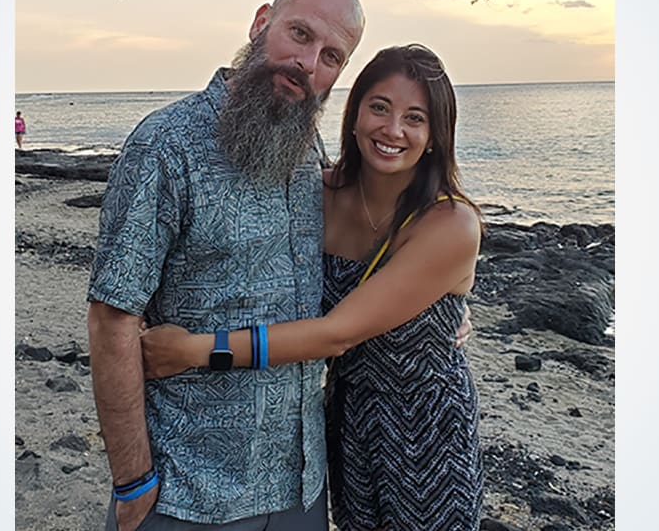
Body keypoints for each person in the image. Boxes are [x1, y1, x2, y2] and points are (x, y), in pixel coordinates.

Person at [141, 44, 484, 530]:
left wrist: (196, 350)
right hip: (343, 418)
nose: (393, 130)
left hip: (426, 427)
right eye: (379, 108)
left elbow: (336, 332)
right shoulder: (315, 193)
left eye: (415, 118)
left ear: (434, 136)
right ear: (355, 112)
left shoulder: (450, 222)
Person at [86, 0, 366, 531]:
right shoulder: (167, 145)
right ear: (262, 22)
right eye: (299, 34)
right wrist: (133, 481)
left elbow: (365, 233)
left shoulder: (305, 144)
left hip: (301, 487)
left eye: (332, 55)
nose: (309, 63)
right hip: (190, 490)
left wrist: (447, 298)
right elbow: (112, 319)